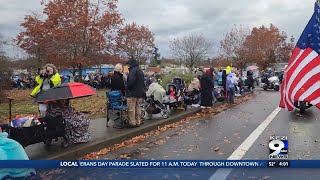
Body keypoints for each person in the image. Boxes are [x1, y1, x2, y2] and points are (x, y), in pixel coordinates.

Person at [126, 58, 145, 127]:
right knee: (138, 107)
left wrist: (127, 88)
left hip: (132, 92)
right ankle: (138, 121)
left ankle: (132, 122)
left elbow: (131, 81)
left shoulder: (133, 71)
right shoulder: (140, 71)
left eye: (128, 64)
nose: (128, 66)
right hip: (139, 92)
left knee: (131, 108)